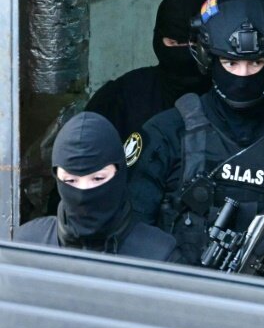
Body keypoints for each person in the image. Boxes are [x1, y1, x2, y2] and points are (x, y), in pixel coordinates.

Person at [126, 0, 264, 266]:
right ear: (207, 58)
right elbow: (127, 232)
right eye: (231, 62)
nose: (243, 76)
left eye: (256, 62)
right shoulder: (167, 134)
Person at [15, 112, 180, 263]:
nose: (83, 193)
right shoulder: (27, 246)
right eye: (70, 180)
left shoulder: (160, 256)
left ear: (120, 173)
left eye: (98, 178)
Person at [86, 0, 211, 142]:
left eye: (194, 44)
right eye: (173, 43)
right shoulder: (122, 97)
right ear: (158, 39)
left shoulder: (229, 94)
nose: (184, 53)